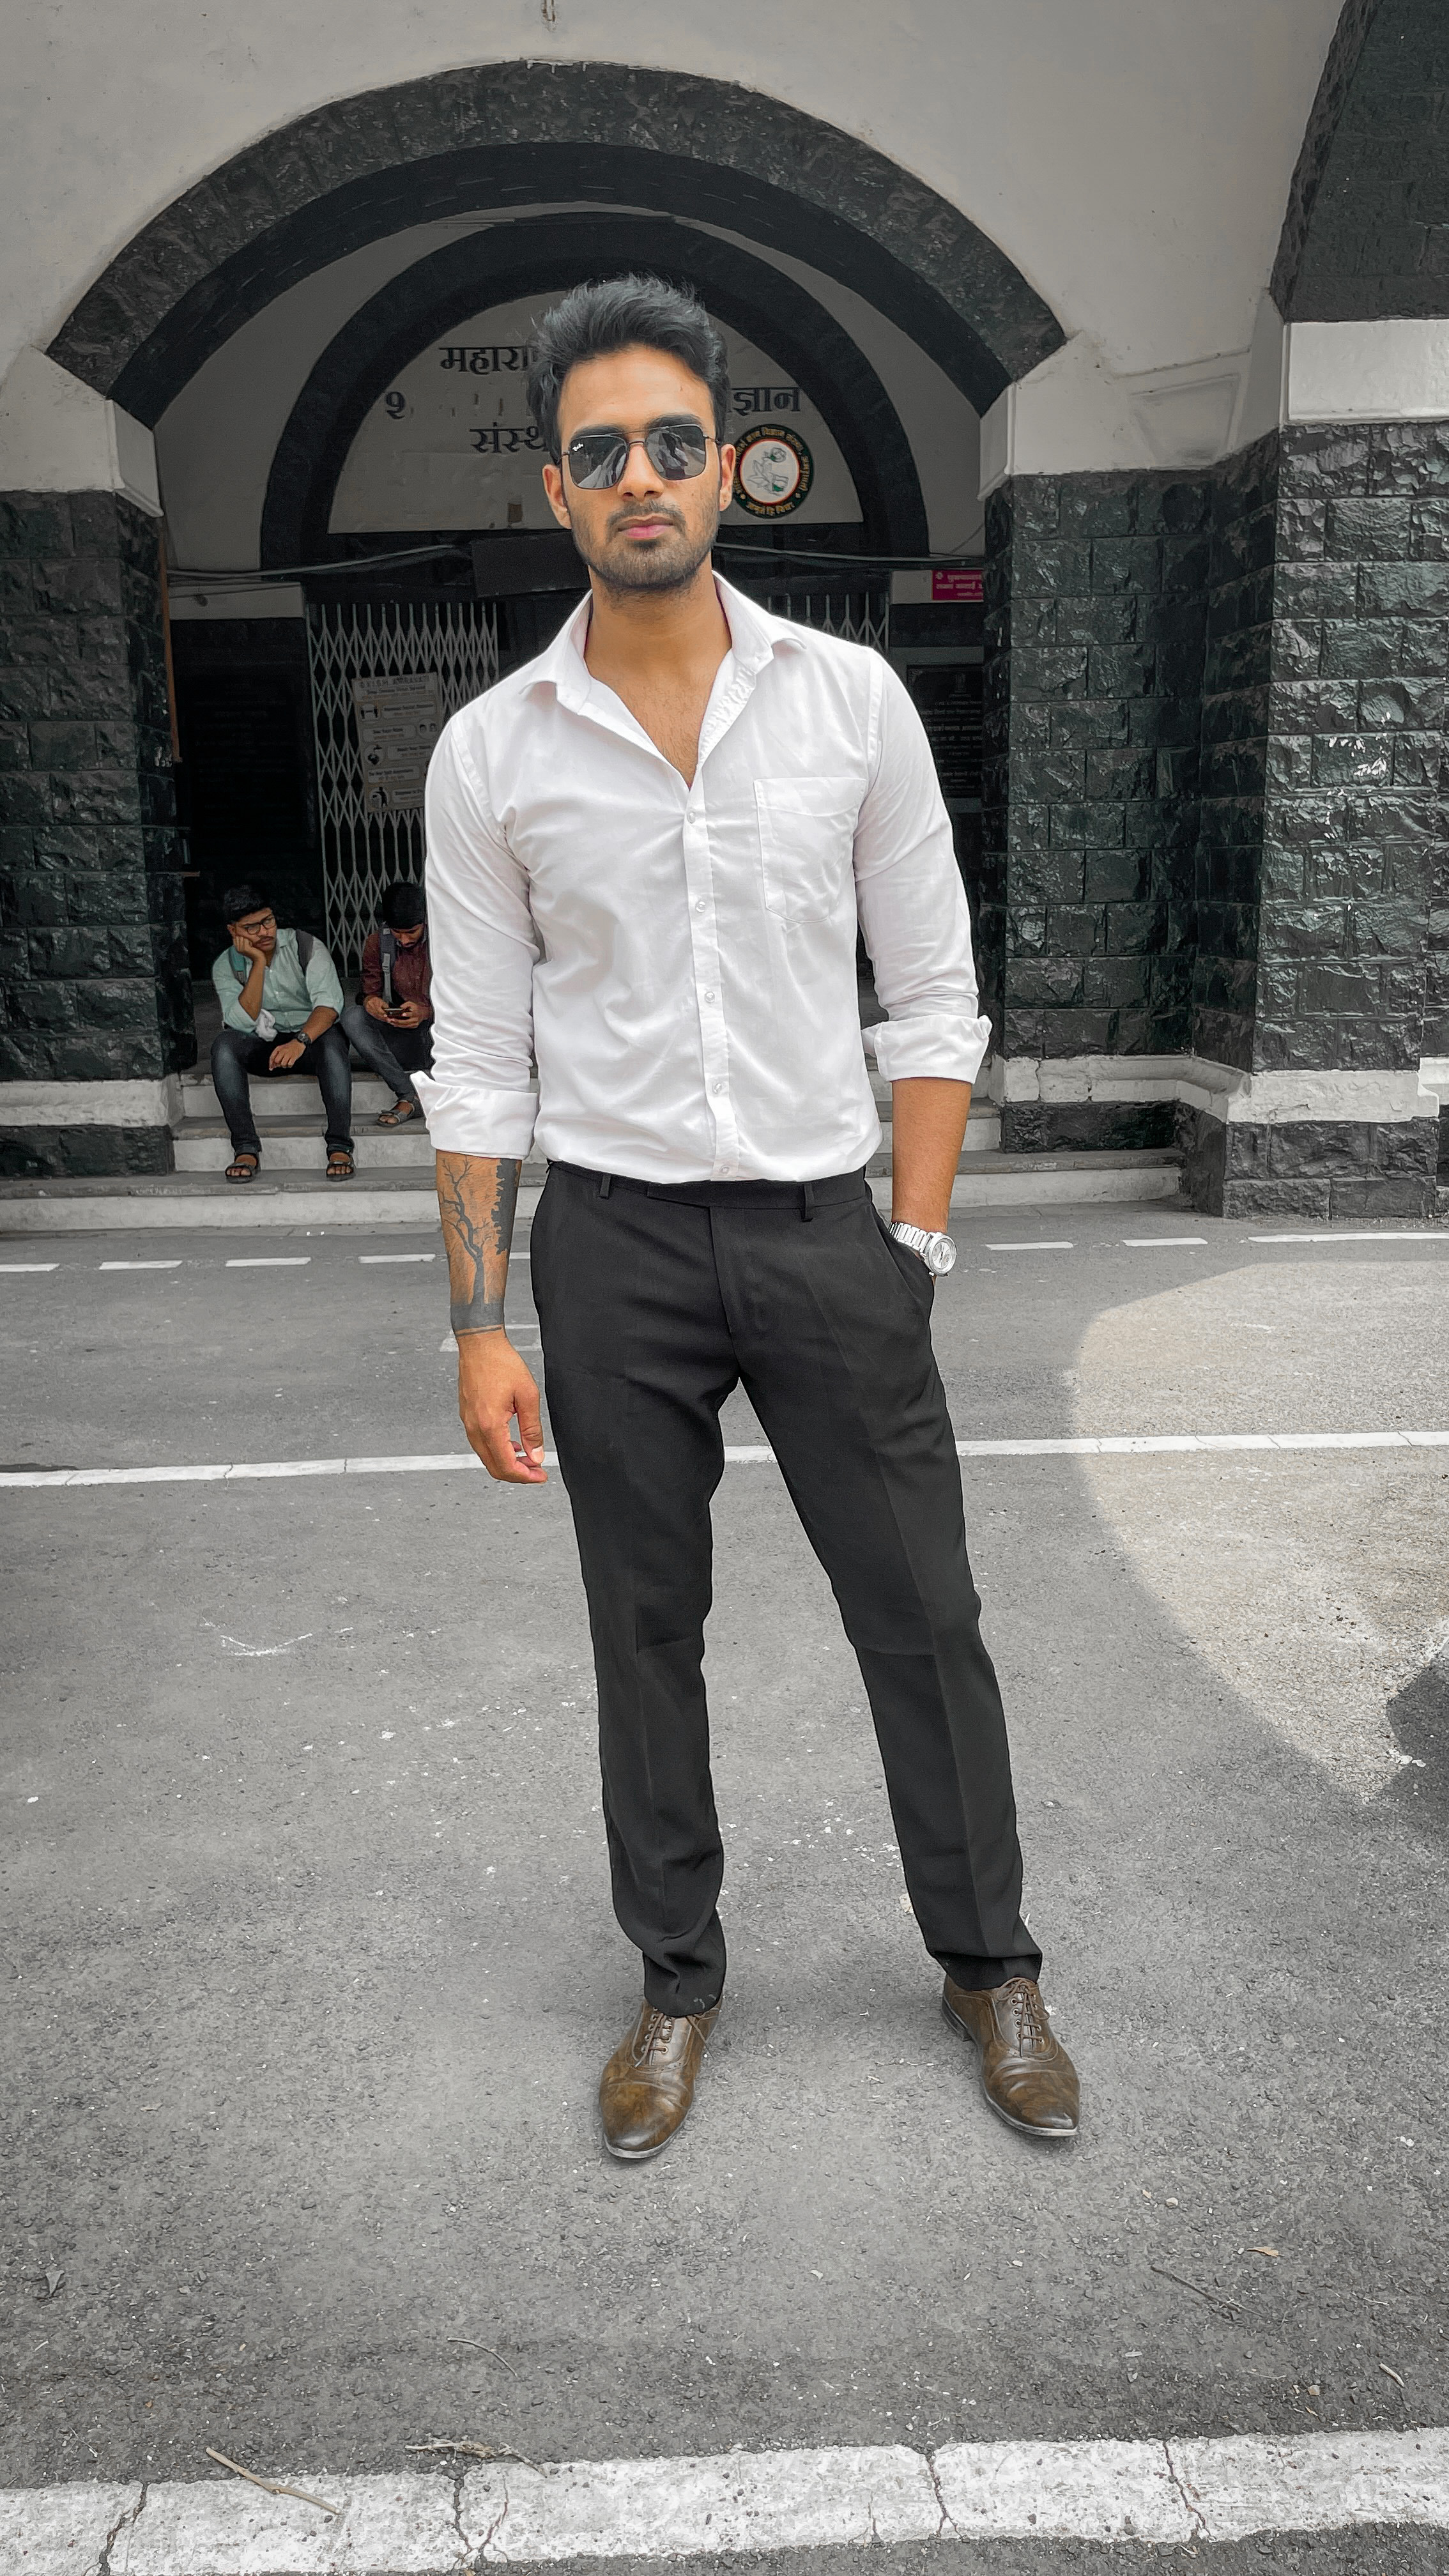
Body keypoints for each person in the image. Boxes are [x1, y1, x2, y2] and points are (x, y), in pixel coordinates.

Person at [416, 275, 1080, 2161]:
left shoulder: (849, 702)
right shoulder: (494, 753)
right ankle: (676, 1985)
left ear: (726, 468)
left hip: (821, 1231)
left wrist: (914, 1242)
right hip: (614, 1248)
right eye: (602, 451)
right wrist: (479, 1324)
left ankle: (990, 1965)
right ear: (559, 489)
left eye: (673, 442)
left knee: (926, 1614)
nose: (642, 476)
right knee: (644, 1631)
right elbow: (479, 1064)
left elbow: (933, 997)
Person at [210, 885, 355, 1183]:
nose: (264, 932)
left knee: (332, 1042)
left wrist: (300, 1042)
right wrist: (258, 963)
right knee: (224, 1047)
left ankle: (340, 1146)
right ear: (233, 930)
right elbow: (240, 1022)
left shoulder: (306, 946)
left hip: (309, 1041)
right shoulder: (227, 964)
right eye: (251, 927)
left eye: (268, 921)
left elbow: (329, 1006)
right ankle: (246, 1148)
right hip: (265, 1046)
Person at [340, 881, 433, 1124]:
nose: (404, 939)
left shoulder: (445, 940)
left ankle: (414, 1098)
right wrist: (370, 1001)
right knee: (353, 1017)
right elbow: (367, 992)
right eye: (397, 932)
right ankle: (408, 1093)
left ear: (426, 921)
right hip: (404, 1040)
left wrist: (427, 1012)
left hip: (443, 1038)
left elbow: (471, 1000)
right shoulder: (379, 943)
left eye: (411, 932)